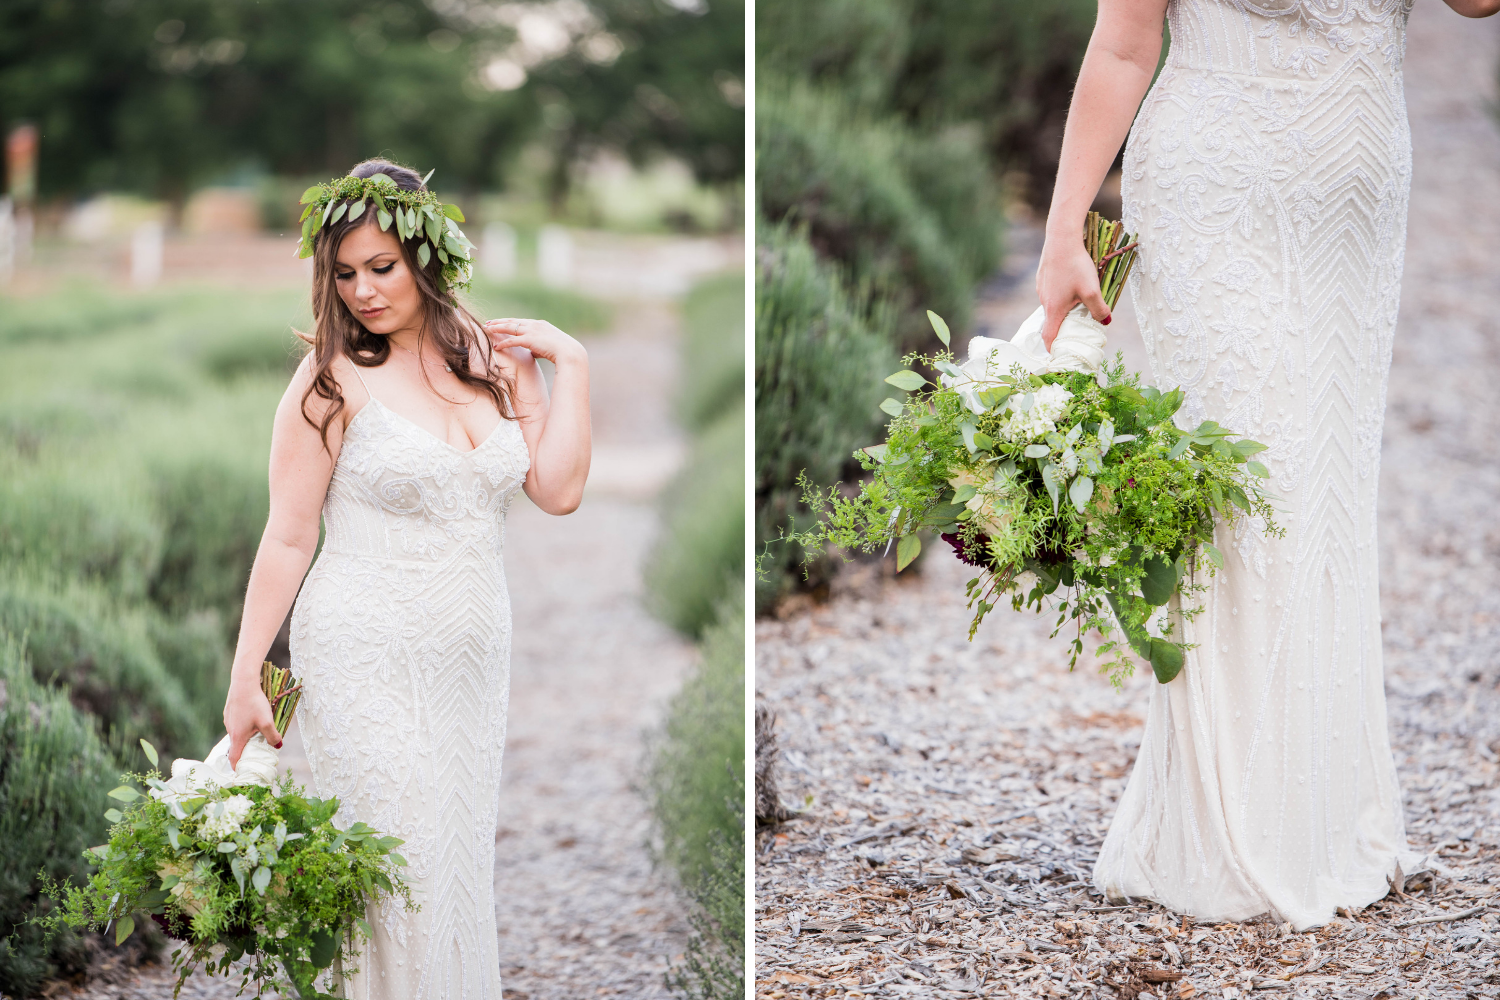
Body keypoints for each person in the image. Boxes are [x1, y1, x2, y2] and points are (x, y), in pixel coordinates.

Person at [1034, 0, 1498, 929]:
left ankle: (1321, 812)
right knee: (1244, 491)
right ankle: (1231, 825)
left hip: (1355, 194)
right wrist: (1063, 229)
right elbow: (1126, 38)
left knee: (1324, 483)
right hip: (1219, 182)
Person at [221, 158, 590, 995]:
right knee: (397, 878)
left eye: (381, 267)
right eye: (344, 273)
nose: (362, 291)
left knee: (453, 874)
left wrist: (574, 364)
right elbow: (287, 536)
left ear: (427, 258)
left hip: (469, 663)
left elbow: (559, 490)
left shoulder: (494, 364)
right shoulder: (327, 383)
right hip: (361, 653)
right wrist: (249, 676)